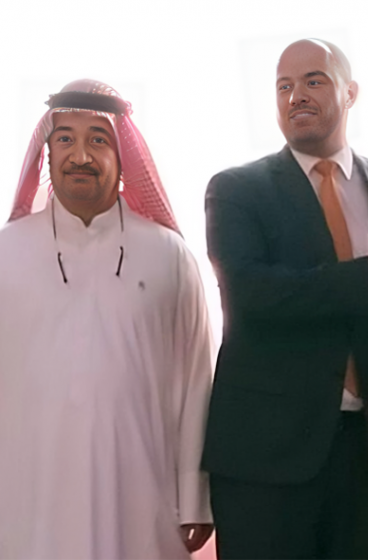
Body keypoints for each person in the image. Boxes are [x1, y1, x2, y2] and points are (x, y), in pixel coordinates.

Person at [202, 39, 368, 560]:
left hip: (366, 452)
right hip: (267, 457)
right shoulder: (238, 189)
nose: (297, 96)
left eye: (313, 81)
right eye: (284, 86)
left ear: (350, 92)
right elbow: (251, 293)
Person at [0, 80, 214, 560]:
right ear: (46, 154)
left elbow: (196, 382)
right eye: (65, 138)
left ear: (123, 157)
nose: (80, 155)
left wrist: (194, 496)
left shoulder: (169, 256)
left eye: (98, 139)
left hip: (140, 494)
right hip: (25, 497)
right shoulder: (5, 253)